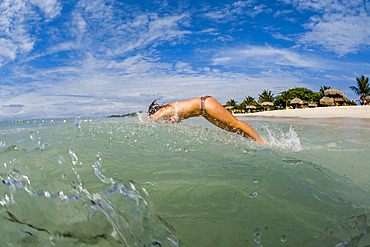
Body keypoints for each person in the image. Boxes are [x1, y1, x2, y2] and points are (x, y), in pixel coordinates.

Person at [147, 96, 266, 144]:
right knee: (231, 129)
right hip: (204, 112)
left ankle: (261, 141)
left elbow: (152, 119)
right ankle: (252, 140)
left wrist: (143, 123)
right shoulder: (167, 112)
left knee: (235, 123)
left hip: (205, 104)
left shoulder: (164, 110)